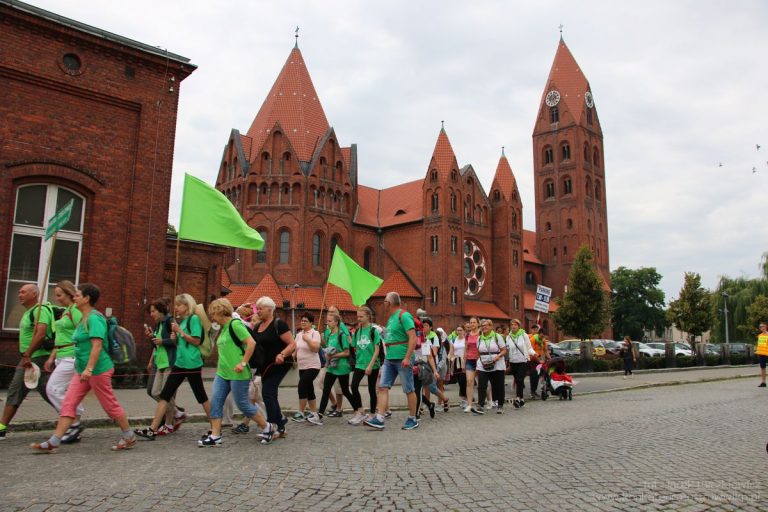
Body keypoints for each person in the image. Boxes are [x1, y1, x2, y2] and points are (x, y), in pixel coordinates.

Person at [31, 283, 136, 452]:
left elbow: (97, 345)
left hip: (98, 370)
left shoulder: (95, 318)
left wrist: (89, 369)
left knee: (109, 405)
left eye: (78, 295)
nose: (74, 297)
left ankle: (129, 435)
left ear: (87, 299)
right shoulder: (83, 318)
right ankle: (54, 441)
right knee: (68, 402)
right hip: (81, 370)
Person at [198, 298, 274, 446]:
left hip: (238, 373)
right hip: (222, 373)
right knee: (216, 402)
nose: (212, 318)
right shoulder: (223, 328)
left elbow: (251, 343)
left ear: (220, 312)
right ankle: (215, 436)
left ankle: (267, 427)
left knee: (242, 404)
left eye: (213, 314)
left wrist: (243, 363)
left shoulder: (235, 324)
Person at [135, 294, 210, 439]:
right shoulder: (181, 322)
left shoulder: (193, 319)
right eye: (176, 305)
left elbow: (196, 341)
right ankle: (152, 429)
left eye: (179, 305)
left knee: (201, 396)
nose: (176, 308)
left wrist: (179, 333)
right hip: (179, 363)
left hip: (192, 364)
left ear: (187, 306)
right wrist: (175, 339)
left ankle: (215, 428)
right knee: (164, 395)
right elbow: (178, 344)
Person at [0, 284, 55, 440]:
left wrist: (27, 354)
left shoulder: (40, 311)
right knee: (48, 392)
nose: (19, 295)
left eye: (23, 292)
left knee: (17, 390)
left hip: (36, 358)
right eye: (19, 292)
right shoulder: (28, 312)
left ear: (34, 294)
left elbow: (41, 333)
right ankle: (71, 419)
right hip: (29, 358)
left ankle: (71, 419)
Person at [365, 292, 419, 430]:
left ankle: (413, 418)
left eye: (384, 301)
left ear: (389, 303)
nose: (383, 304)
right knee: (382, 387)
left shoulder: (404, 316)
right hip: (389, 358)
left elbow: (413, 337)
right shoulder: (390, 319)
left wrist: (407, 357)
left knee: (408, 389)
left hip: (402, 358)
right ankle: (379, 418)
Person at [43, 281, 85, 443]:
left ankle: (72, 421)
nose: (57, 298)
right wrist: (52, 357)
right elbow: (60, 337)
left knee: (53, 389)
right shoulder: (67, 310)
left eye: (59, 295)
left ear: (69, 294)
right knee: (69, 392)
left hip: (71, 356)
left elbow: (83, 333)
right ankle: (75, 427)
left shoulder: (75, 310)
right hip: (61, 355)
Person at [250, 296, 295, 438]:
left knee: (268, 393)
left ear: (270, 310)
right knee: (271, 394)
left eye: (261, 309)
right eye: (257, 309)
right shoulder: (257, 326)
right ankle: (281, 424)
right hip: (265, 366)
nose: (258, 311)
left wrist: (282, 354)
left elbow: (292, 344)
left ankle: (272, 426)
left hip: (279, 364)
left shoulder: (279, 324)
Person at [318, 312, 360, 420]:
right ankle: (319, 415)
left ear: (336, 322)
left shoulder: (342, 335)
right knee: (326, 390)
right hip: (331, 367)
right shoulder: (329, 335)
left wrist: (333, 355)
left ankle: (358, 410)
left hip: (342, 367)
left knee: (345, 391)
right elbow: (327, 347)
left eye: (330, 321)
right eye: (327, 321)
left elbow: (346, 353)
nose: (327, 323)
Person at [350, 307, 381, 424]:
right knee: (353, 386)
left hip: (372, 364)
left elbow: (377, 350)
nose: (359, 319)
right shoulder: (357, 331)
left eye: (361, 316)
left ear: (368, 316)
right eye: (358, 316)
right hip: (360, 364)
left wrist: (370, 365)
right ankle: (360, 411)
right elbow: (353, 345)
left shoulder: (373, 331)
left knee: (371, 389)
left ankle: (372, 414)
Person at [292, 312, 323, 425]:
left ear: (311, 323)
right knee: (309, 389)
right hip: (302, 366)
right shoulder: (299, 334)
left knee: (302, 385)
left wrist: (308, 340)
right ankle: (314, 413)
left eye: (305, 321)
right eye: (302, 320)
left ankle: (301, 412)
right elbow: (295, 349)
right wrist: (292, 357)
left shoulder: (315, 333)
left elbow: (316, 349)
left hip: (313, 366)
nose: (303, 322)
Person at [475, 319, 507, 414]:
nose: (484, 327)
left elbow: (504, 350)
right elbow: (478, 352)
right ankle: (480, 406)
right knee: (482, 385)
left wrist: (498, 356)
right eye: (482, 326)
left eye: (486, 325)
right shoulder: (479, 338)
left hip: (497, 364)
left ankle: (500, 405)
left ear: (491, 326)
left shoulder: (497, 337)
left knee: (499, 385)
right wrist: (478, 363)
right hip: (483, 365)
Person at [322, 305, 349, 416]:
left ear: (338, 314)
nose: (331, 313)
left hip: (340, 363)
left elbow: (348, 340)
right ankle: (334, 403)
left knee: (339, 388)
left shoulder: (341, 326)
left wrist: (336, 353)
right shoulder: (328, 329)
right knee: (322, 384)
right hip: (329, 362)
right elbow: (325, 344)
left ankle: (338, 409)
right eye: (329, 311)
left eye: (333, 312)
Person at [507, 318, 536, 409]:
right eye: (512, 325)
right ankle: (522, 400)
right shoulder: (508, 337)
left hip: (523, 360)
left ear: (519, 326)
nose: (513, 326)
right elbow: (508, 349)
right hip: (513, 362)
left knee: (519, 379)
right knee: (518, 380)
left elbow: (529, 347)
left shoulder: (524, 335)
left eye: (515, 325)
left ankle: (518, 399)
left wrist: (534, 353)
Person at [463, 317, 481, 413]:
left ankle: (489, 400)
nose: (472, 324)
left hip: (480, 361)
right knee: (469, 382)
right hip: (470, 360)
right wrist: (464, 362)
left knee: (482, 383)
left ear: (478, 324)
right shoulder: (467, 335)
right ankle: (469, 404)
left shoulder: (481, 334)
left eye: (474, 322)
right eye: (471, 322)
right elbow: (466, 349)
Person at [528, 324, 548, 400]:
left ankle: (543, 389)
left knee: (543, 373)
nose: (543, 337)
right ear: (539, 333)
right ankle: (532, 392)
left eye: (544, 336)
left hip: (540, 360)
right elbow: (531, 352)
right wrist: (539, 360)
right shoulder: (533, 339)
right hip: (532, 360)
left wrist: (551, 359)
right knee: (534, 376)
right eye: (542, 335)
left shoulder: (543, 341)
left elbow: (546, 351)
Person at [450, 325, 467, 408]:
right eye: (458, 330)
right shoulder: (453, 340)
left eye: (461, 330)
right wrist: (450, 358)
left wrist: (465, 360)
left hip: (465, 361)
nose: (459, 332)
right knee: (460, 381)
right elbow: (451, 352)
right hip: (456, 362)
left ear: (464, 331)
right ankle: (464, 398)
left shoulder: (466, 339)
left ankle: (465, 400)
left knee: (463, 380)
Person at [758, 321, 768, 387]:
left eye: (762, 326)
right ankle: (763, 382)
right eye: (760, 327)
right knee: (762, 367)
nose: (761, 327)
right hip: (761, 354)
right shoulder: (760, 336)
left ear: (766, 327)